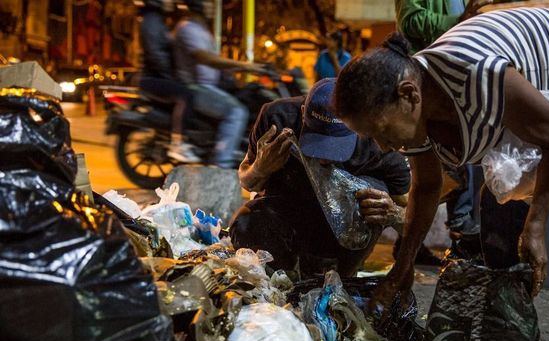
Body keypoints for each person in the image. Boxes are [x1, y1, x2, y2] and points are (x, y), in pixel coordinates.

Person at [333, 8, 549, 341]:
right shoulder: (417, 103)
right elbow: (426, 187)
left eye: (382, 131)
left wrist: (536, 224)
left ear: (409, 96)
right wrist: (401, 271)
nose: (384, 147)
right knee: (497, 211)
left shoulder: (477, 74)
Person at [230, 79, 410, 279]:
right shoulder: (277, 117)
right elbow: (247, 181)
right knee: (245, 222)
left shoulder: (379, 141)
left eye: (335, 147)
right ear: (303, 110)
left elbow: (411, 219)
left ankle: (341, 275)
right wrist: (259, 169)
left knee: (372, 193)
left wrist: (393, 213)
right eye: (317, 142)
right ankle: (282, 277)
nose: (324, 157)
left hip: (342, 234)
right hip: (289, 213)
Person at [396, 0, 492, 242]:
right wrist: (457, 23)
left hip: (455, 84)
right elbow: (410, 20)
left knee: (459, 162)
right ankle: (455, 224)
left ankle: (416, 242)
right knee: (442, 168)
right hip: (430, 84)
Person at [173, 0, 262, 168]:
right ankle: (221, 163)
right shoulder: (187, 28)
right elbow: (205, 58)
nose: (211, 6)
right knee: (236, 111)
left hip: (211, 87)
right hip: (197, 88)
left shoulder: (202, 30)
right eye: (208, 3)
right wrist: (242, 65)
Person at [138, 0, 199, 163]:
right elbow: (156, 55)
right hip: (153, 78)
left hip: (156, 76)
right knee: (185, 95)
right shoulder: (151, 21)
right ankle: (178, 144)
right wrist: (171, 77)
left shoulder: (157, 21)